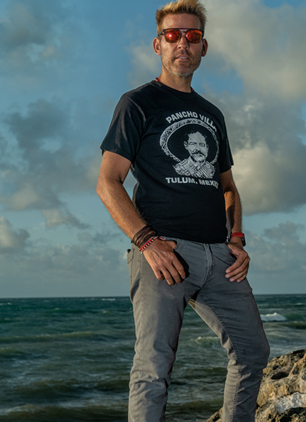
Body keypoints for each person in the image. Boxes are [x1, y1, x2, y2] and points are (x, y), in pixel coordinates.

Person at [96, 1, 270, 421]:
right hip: (164, 253)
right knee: (154, 367)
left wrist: (237, 239)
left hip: (219, 257)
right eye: (173, 36)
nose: (182, 45)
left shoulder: (212, 114)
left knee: (253, 352)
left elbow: (227, 187)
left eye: (192, 36)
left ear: (203, 47)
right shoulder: (137, 103)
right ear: (158, 45)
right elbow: (107, 182)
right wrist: (147, 242)